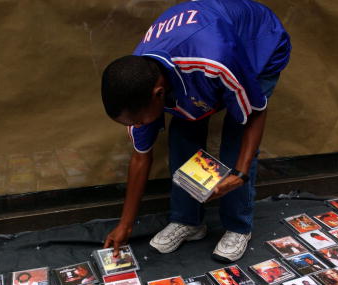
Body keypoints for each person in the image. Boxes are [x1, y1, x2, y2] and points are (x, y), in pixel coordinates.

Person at [101, 0, 291, 262]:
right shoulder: (139, 78)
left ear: (158, 94)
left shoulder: (215, 60)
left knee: (236, 140)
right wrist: (126, 224)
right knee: (182, 135)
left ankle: (238, 226)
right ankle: (188, 221)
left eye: (138, 122)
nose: (137, 127)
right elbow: (140, 157)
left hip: (258, 46)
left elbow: (256, 110)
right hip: (202, 60)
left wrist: (240, 173)